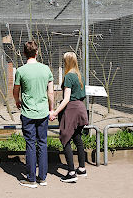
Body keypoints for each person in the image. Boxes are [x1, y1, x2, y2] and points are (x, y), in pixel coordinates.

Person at [13, 41, 54, 188]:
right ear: (37, 53)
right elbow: (50, 92)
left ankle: (31, 179)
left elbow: (15, 91)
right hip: (43, 112)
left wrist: (17, 101)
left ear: (24, 53)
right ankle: (42, 178)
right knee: (42, 143)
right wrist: (51, 109)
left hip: (28, 112)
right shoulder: (46, 69)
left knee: (30, 144)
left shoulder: (20, 71)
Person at [49, 52, 88, 183]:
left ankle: (71, 173)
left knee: (65, 139)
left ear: (66, 62)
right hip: (81, 109)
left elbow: (66, 99)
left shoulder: (69, 76)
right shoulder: (80, 75)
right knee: (77, 138)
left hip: (72, 110)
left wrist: (54, 112)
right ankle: (82, 168)